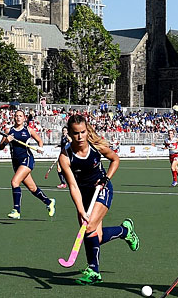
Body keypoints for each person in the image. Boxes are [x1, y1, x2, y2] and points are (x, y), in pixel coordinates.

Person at [59, 113, 139, 285]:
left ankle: (94, 271)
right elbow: (73, 186)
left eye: (82, 132)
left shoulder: (96, 147)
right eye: (75, 133)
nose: (80, 137)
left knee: (88, 228)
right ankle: (125, 231)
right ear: (69, 133)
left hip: (102, 189)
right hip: (84, 194)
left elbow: (115, 159)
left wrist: (106, 178)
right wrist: (81, 209)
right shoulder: (65, 156)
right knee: (96, 236)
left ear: (87, 131)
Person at [0, 109, 54, 219]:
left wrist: (40, 148)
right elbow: (1, 147)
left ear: (24, 118)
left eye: (20, 116)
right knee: (32, 188)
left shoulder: (28, 130)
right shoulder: (8, 130)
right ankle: (49, 202)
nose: (18, 118)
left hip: (27, 159)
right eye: (16, 116)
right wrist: (6, 141)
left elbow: (40, 141)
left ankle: (16, 210)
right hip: (16, 162)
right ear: (14, 117)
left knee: (15, 182)